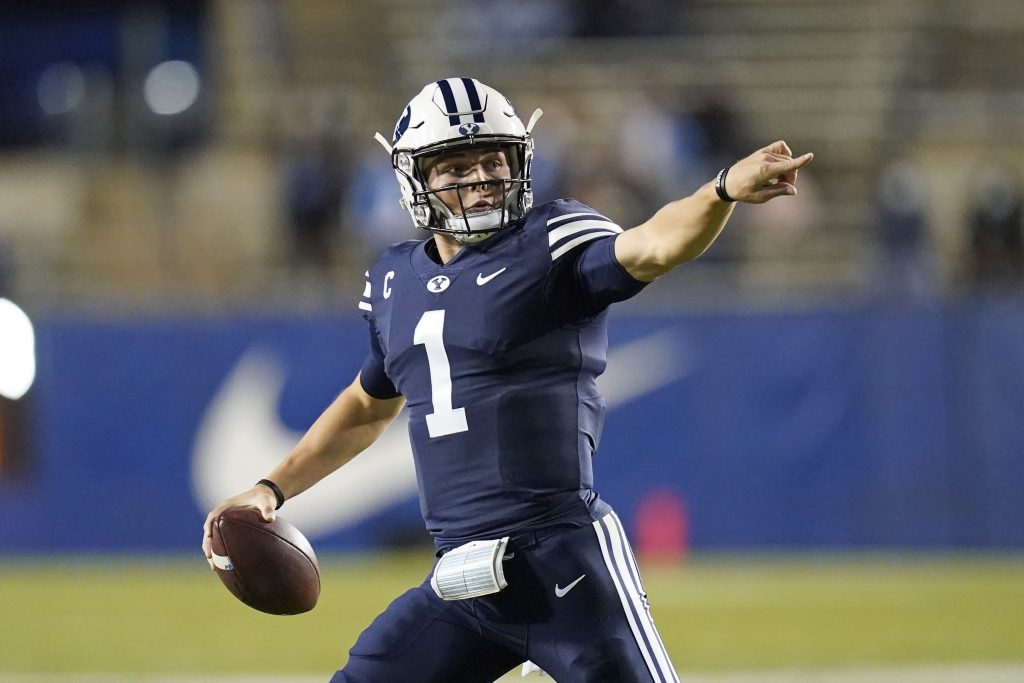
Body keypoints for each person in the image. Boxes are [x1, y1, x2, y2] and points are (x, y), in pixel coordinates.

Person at [203, 77, 813, 682]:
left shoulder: (551, 240)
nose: (480, 179)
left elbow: (652, 246)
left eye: (493, 160)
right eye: (456, 166)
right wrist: (270, 489)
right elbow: (367, 407)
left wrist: (721, 190)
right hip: (460, 581)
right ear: (416, 178)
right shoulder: (393, 279)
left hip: (564, 565)